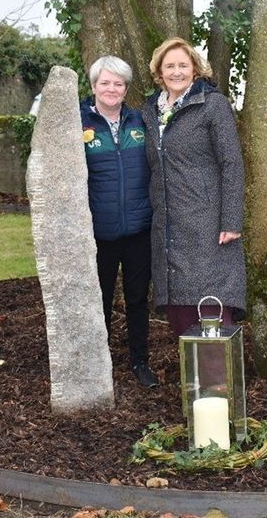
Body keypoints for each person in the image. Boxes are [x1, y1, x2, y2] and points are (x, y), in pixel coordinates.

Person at [141, 37, 246, 336]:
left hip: (208, 222)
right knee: (180, 308)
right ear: (159, 72)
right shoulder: (150, 112)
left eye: (183, 65)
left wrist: (231, 221)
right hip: (168, 225)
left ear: (195, 70)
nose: (176, 71)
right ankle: (195, 379)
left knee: (210, 306)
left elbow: (232, 164)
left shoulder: (213, 105)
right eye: (169, 65)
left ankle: (216, 380)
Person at [81, 55, 158, 388]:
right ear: (94, 86)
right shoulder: (79, 123)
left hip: (139, 229)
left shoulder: (140, 122)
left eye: (118, 83)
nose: (111, 89)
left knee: (138, 298)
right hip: (99, 232)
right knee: (100, 298)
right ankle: (101, 362)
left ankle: (139, 361)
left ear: (126, 88)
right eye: (105, 82)